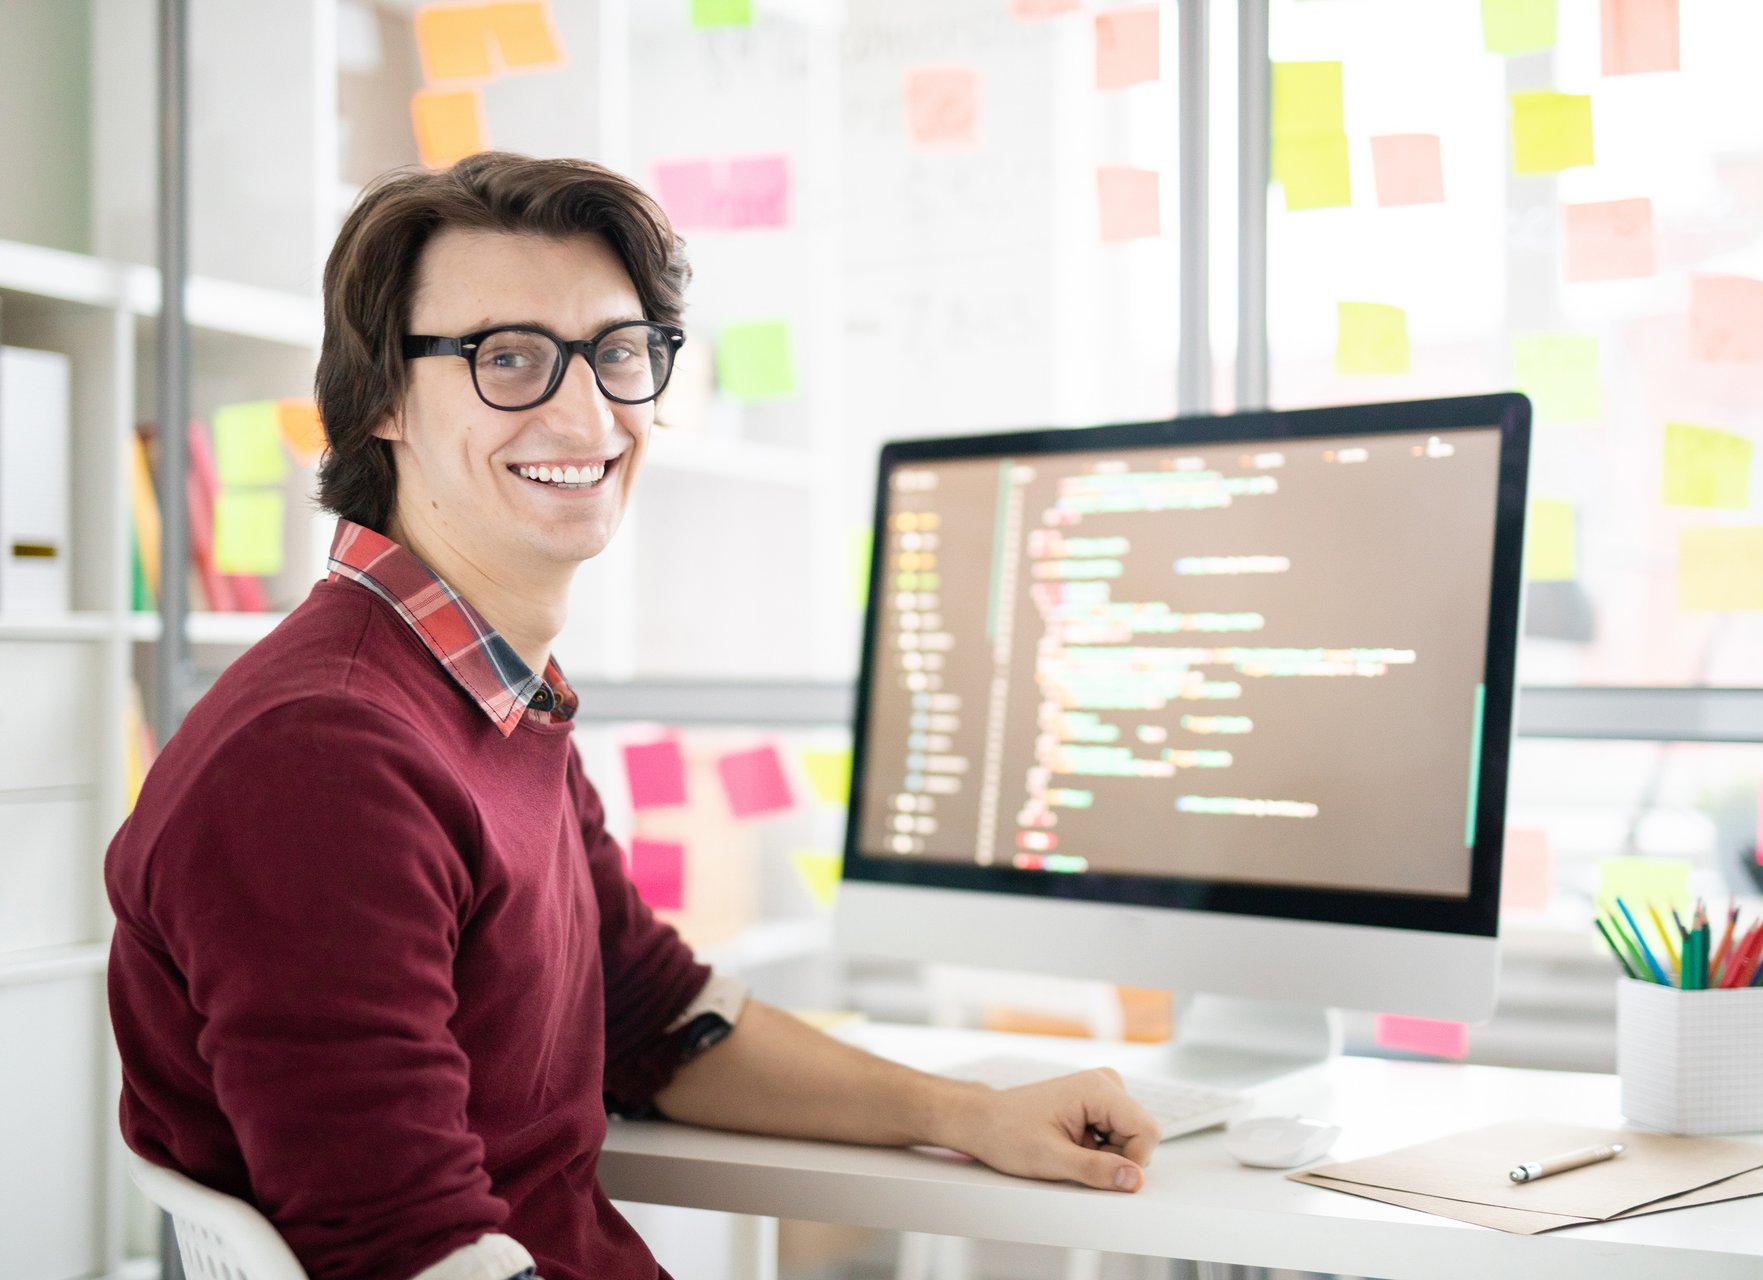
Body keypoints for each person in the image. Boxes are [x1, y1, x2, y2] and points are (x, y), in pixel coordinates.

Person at [104, 152, 1159, 1280]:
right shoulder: (324, 757)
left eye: (617, 353)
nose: (587, 410)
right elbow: (404, 1250)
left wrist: (975, 1113)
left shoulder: (489, 695)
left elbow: (653, 1017)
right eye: (507, 357)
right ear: (379, 403)